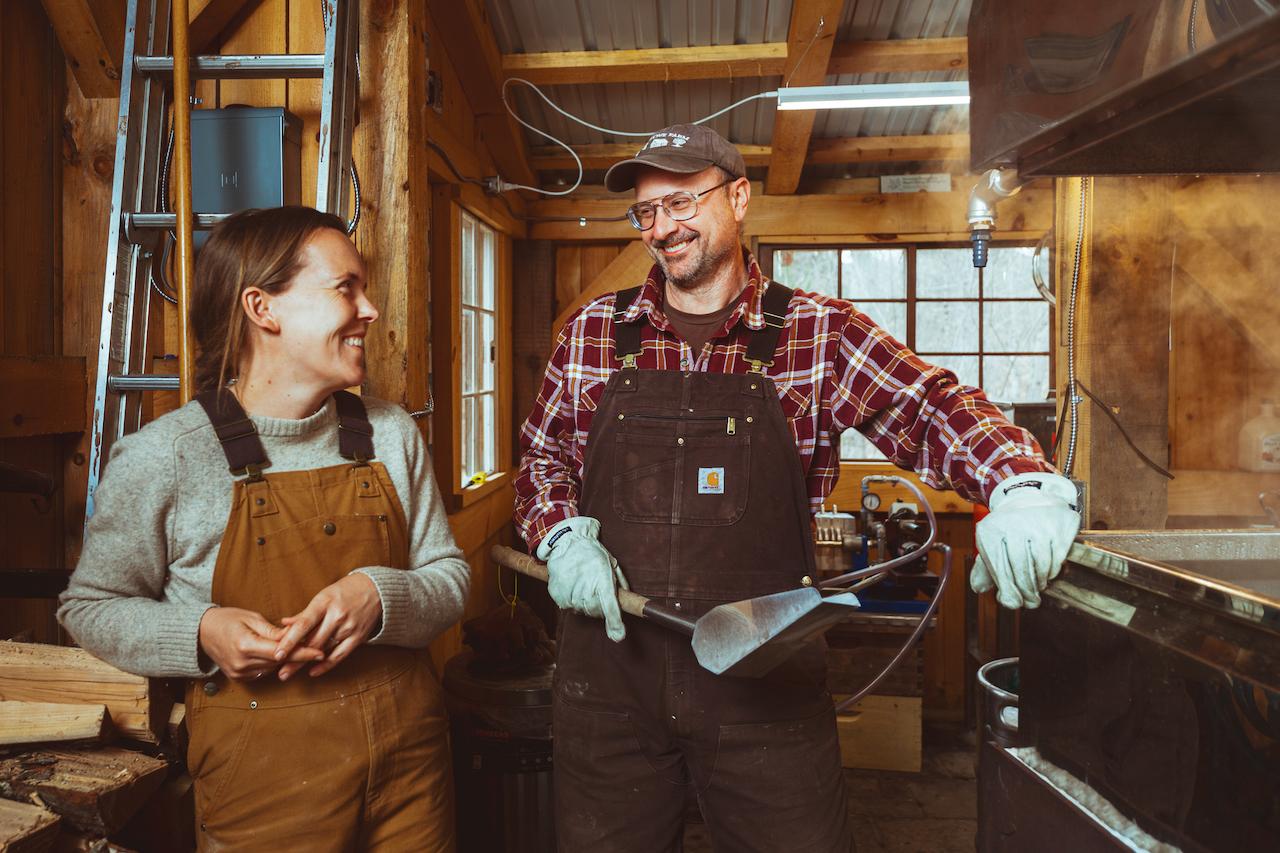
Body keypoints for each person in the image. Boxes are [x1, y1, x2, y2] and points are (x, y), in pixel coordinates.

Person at [513, 123, 1080, 852]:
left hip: (765, 690)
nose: (663, 227)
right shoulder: (593, 331)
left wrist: (1018, 480)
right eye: (647, 213)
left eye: (683, 201)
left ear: (739, 197)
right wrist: (561, 537)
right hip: (610, 691)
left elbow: (931, 404)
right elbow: (540, 462)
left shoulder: (816, 333)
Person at [59, 206, 469, 851]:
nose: (369, 310)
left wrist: (379, 595)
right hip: (263, 776)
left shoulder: (390, 433)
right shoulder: (167, 456)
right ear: (263, 308)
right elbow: (89, 608)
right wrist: (198, 630)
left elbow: (450, 578)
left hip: (411, 767)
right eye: (346, 288)